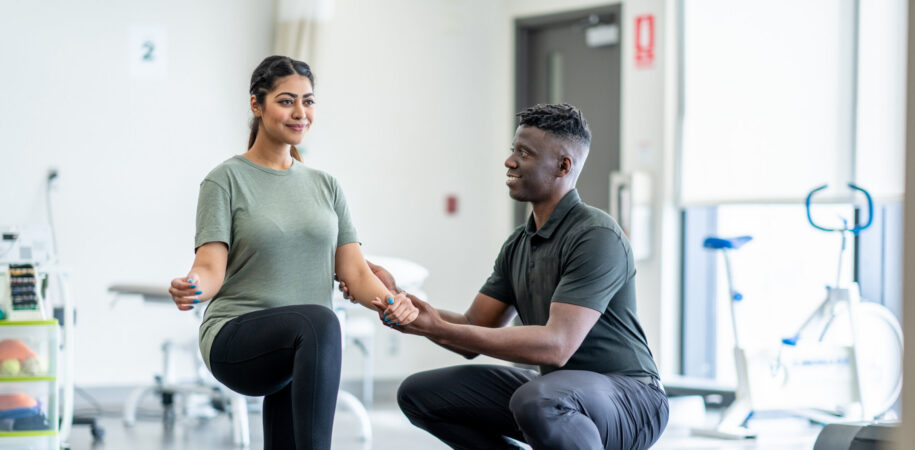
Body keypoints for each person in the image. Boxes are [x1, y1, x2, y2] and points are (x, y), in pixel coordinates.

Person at [353, 103, 668, 449]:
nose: (510, 161)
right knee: (420, 394)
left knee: (538, 399)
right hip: (559, 392)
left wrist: (437, 326)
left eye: (525, 153)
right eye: (512, 150)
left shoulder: (596, 234)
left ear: (563, 166)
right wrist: (395, 299)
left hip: (632, 398)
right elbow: (476, 325)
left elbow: (557, 345)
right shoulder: (519, 243)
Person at [168, 55, 417, 450]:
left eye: (309, 101)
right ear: (257, 105)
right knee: (320, 323)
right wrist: (192, 286)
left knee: (314, 334)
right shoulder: (225, 180)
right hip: (235, 336)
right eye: (286, 101)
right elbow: (209, 267)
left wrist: (393, 302)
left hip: (301, 343)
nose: (300, 112)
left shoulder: (326, 186)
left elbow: (354, 272)